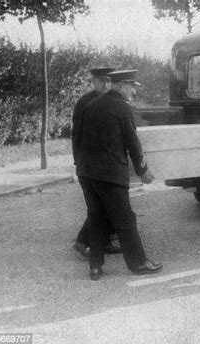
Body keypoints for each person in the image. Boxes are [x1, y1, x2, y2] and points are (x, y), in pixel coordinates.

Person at [73, 69, 162, 280]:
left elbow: (78, 137)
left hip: (87, 173)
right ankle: (139, 263)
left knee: (97, 217)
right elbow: (133, 142)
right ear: (120, 86)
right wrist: (143, 171)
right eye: (132, 87)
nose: (134, 92)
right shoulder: (123, 108)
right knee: (125, 219)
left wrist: (80, 166)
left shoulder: (90, 105)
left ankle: (95, 266)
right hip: (110, 174)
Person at [71, 67, 120, 258]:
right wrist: (78, 162)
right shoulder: (85, 103)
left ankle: (104, 242)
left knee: (107, 204)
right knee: (98, 207)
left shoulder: (114, 100)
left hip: (108, 163)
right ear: (93, 82)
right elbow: (77, 136)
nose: (105, 85)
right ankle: (82, 242)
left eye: (108, 81)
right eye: (101, 81)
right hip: (90, 164)